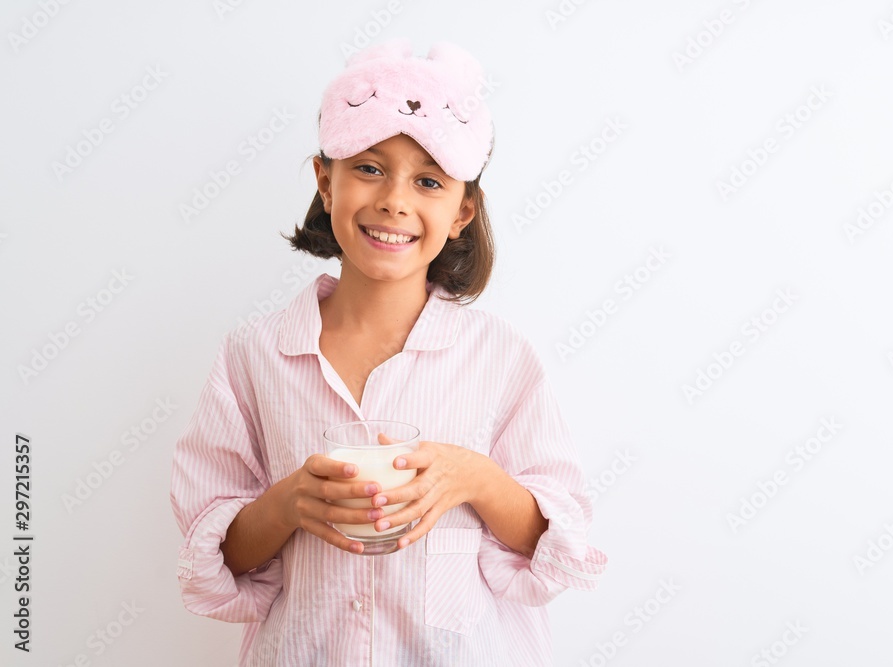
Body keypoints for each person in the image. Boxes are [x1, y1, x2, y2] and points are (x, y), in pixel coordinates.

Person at [170, 38, 607, 666]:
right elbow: (216, 552)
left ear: (462, 211)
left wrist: (473, 478)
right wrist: (288, 502)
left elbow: (554, 546)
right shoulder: (254, 356)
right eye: (370, 168)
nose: (395, 200)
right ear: (326, 181)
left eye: (428, 180)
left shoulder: (500, 359)